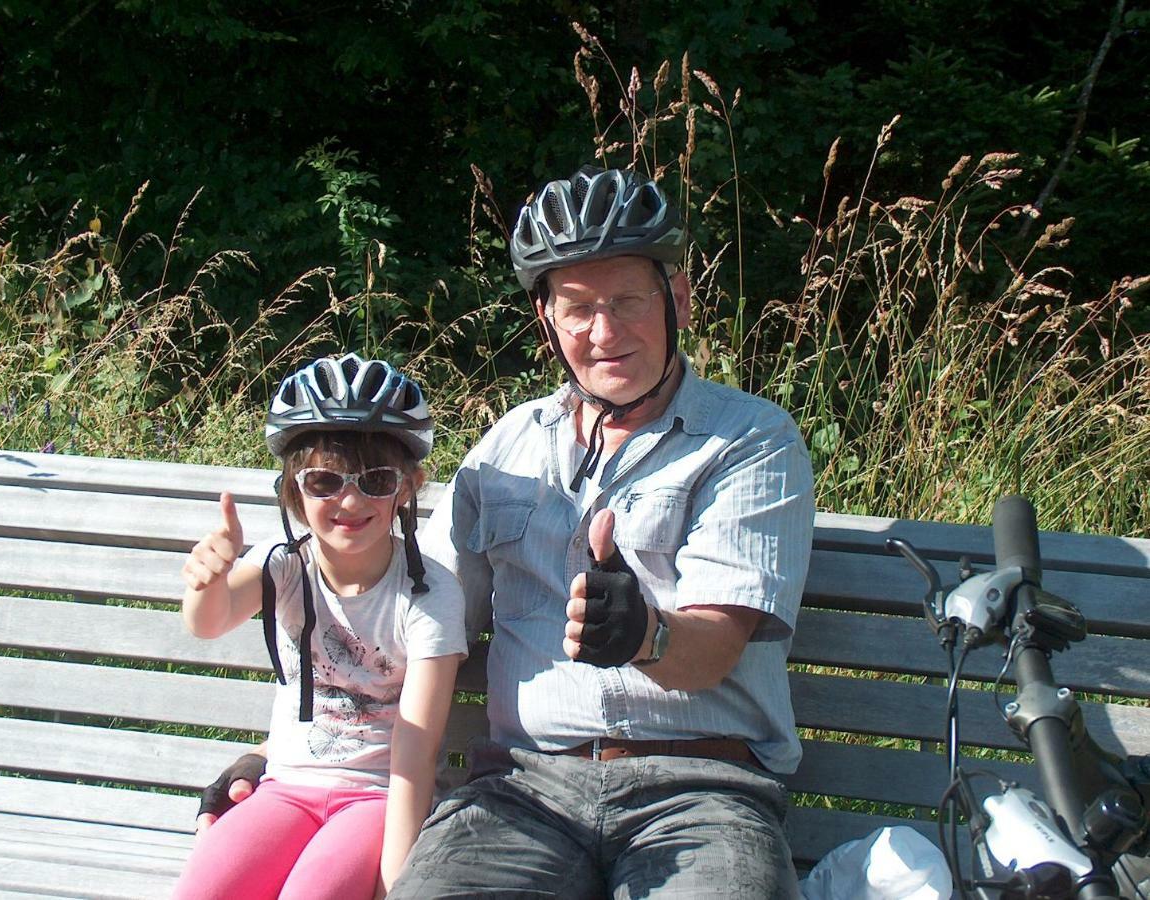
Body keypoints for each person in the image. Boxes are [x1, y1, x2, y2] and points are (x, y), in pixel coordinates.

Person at [201, 165, 815, 897]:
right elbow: (407, 623)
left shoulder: (748, 440)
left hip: (698, 792)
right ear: (545, 320)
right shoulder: (507, 447)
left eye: (628, 300)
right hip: (521, 789)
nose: (605, 331)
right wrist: (290, 758)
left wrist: (646, 635)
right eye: (578, 307)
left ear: (677, 298)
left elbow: (714, 649)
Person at [173, 353, 467, 900]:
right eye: (324, 480)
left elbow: (415, 750)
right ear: (293, 490)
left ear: (408, 487)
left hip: (374, 798)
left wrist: (393, 881)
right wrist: (207, 580)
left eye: (376, 480)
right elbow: (207, 622)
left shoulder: (429, 596)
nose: (350, 501)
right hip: (285, 786)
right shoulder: (283, 566)